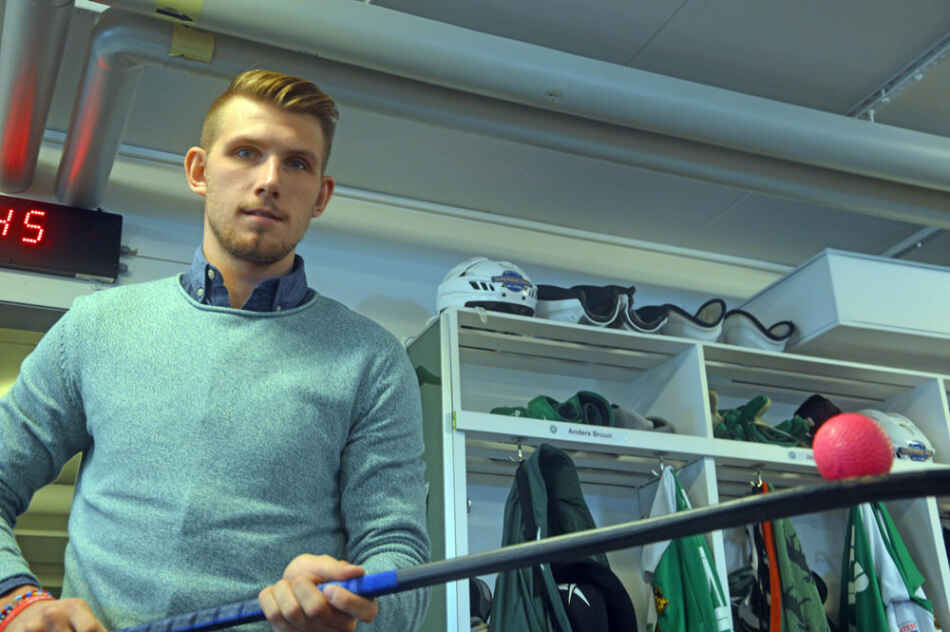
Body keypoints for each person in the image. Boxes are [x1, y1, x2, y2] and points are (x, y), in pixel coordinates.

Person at [0, 69, 431, 632]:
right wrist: (17, 601)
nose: (269, 180)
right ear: (199, 171)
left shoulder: (372, 361)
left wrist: (351, 609)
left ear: (321, 195)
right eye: (246, 153)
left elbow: (398, 554)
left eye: (297, 163)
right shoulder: (94, 327)